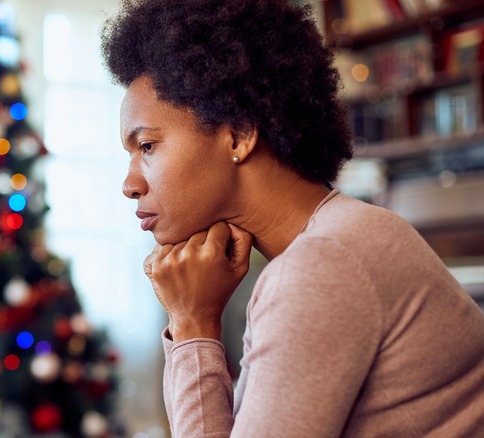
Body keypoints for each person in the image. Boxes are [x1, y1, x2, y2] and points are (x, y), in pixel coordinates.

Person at [100, 0, 484, 436]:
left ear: (239, 135)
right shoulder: (344, 237)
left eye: (147, 146)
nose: (129, 184)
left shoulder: (322, 266)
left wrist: (192, 325)